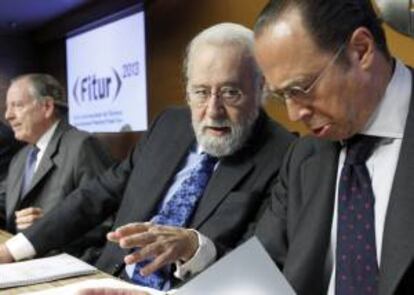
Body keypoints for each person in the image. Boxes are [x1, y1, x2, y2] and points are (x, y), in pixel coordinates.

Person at [0, 23, 295, 291]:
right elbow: (96, 194)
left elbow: (262, 264)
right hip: (105, 280)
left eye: (231, 93)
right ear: (187, 91)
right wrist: (14, 250)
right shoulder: (168, 124)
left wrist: (195, 248)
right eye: (201, 92)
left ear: (261, 88)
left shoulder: (285, 154)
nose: (213, 110)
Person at [252, 0, 414, 294]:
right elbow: (262, 267)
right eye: (282, 95)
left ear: (361, 49)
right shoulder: (303, 157)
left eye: (300, 89)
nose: (293, 114)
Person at [0, 74, 114, 259]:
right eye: (7, 107)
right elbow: (3, 204)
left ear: (47, 107)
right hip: (21, 258)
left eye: (18, 105)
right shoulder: (20, 157)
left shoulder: (82, 146)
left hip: (66, 260)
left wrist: (49, 227)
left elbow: (107, 221)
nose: (8, 115)